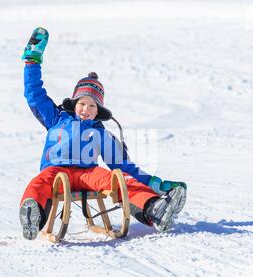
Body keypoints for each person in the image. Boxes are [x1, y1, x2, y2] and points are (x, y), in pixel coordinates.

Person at [19, 27, 187, 240]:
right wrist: (32, 61)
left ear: (98, 112)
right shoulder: (57, 118)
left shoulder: (101, 133)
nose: (86, 109)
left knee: (119, 180)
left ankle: (154, 208)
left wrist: (158, 184)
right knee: (39, 183)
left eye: (92, 106)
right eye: (83, 103)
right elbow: (34, 95)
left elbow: (125, 166)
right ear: (74, 103)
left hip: (88, 174)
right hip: (56, 171)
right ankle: (32, 215)